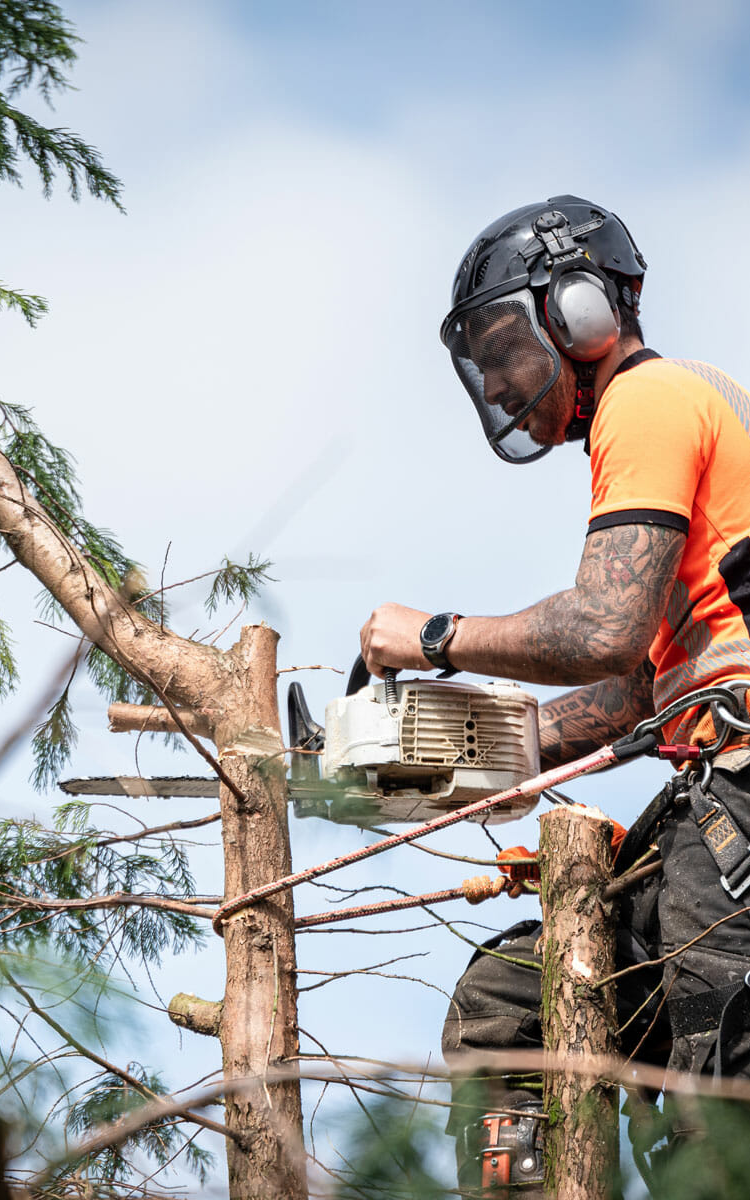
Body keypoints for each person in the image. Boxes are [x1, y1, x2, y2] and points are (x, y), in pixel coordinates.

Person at [359, 195, 750, 1194]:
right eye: (483, 361)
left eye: (503, 346)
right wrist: (458, 749)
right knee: (511, 1001)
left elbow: (597, 628)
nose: (495, 379)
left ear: (578, 312)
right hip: (717, 796)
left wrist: (432, 639)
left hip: (742, 804)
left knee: (724, 1112)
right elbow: (628, 691)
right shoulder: (666, 445)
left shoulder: (649, 401)